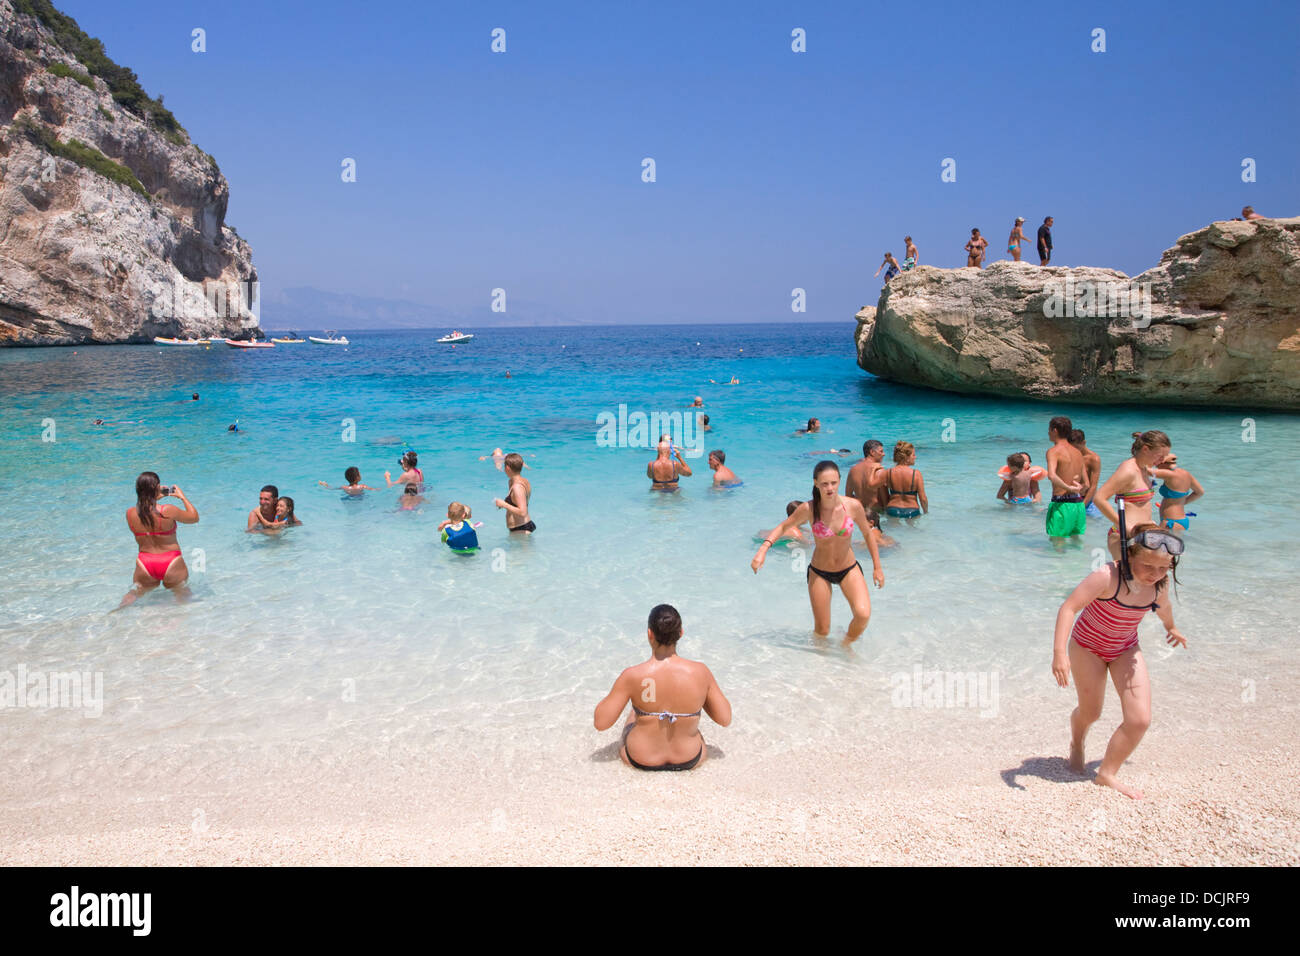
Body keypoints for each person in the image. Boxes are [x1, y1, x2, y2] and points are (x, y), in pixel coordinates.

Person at [1052, 523, 1187, 799]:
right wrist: (1059, 654)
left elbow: (1164, 609)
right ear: (1129, 555)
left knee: (1140, 719)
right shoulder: (1107, 576)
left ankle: (1106, 774)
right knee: (1091, 713)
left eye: (1164, 569)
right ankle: (1077, 743)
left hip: (1125, 648)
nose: (1156, 575)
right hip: (1087, 647)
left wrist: (1171, 628)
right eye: (1148, 566)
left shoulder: (1158, 585)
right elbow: (1069, 607)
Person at [751, 460, 885, 645]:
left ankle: (845, 645)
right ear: (816, 483)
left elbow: (869, 535)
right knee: (822, 630)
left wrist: (877, 568)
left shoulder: (853, 506)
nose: (830, 488)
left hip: (849, 568)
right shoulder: (809, 509)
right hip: (820, 572)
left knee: (863, 615)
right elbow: (783, 527)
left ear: (839, 480)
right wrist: (762, 550)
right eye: (824, 484)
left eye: (833, 483)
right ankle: (819, 663)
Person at [593, 604, 732, 772]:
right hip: (689, 757)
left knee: (634, 712)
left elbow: (601, 723)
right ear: (680, 633)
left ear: (649, 634)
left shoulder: (632, 675)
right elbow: (725, 719)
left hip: (641, 758)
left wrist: (634, 699)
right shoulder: (700, 672)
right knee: (689, 711)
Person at [121, 472, 199, 606]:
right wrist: (182, 497)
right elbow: (194, 518)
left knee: (136, 592)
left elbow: (147, 515)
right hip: (171, 561)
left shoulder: (130, 513)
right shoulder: (167, 510)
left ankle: (118, 611)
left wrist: (152, 499)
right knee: (182, 594)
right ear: (157, 487)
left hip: (145, 562)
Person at [1093, 431, 1171, 560]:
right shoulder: (1128, 470)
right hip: (1125, 535)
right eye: (1160, 455)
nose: (1162, 460)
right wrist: (1125, 527)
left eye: (1165, 456)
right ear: (1145, 449)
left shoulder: (1144, 468)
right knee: (1126, 578)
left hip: (1143, 534)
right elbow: (1099, 498)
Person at [1044, 416, 1088, 541]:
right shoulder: (1078, 452)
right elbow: (1087, 484)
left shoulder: (1053, 451)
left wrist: (1068, 487)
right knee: (1076, 542)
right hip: (1078, 505)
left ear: (1055, 430)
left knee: (1057, 544)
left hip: (1061, 503)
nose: (1048, 433)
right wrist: (1077, 489)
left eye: (1049, 430)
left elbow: (1052, 475)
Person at [869, 441, 928, 520]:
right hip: (912, 510)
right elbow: (923, 498)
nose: (915, 457)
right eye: (913, 455)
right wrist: (926, 512)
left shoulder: (888, 472)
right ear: (906, 457)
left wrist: (873, 469)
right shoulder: (916, 474)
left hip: (893, 510)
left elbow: (871, 485)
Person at [1151, 453, 1203, 534]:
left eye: (1157, 463)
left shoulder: (1170, 475)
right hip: (1181, 520)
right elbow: (1200, 492)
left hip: (1170, 522)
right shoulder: (1185, 473)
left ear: (1164, 463)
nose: (1155, 465)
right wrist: (1181, 503)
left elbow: (1146, 471)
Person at [494, 452, 534, 533]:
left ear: (508, 468)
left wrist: (504, 504)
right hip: (520, 527)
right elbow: (516, 501)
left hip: (521, 528)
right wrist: (505, 503)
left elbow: (523, 512)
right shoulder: (517, 481)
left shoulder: (517, 487)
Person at [845, 439, 888, 514]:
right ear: (872, 452)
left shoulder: (853, 470)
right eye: (881, 451)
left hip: (860, 512)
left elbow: (848, 496)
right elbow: (885, 499)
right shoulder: (878, 470)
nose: (883, 454)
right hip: (877, 512)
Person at [1070, 429, 1103, 517]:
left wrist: (1082, 506)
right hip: (1071, 498)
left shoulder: (1093, 459)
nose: (1074, 450)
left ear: (1084, 443)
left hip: (1087, 501)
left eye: (1076, 447)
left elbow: (1093, 486)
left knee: (1093, 524)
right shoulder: (1070, 456)